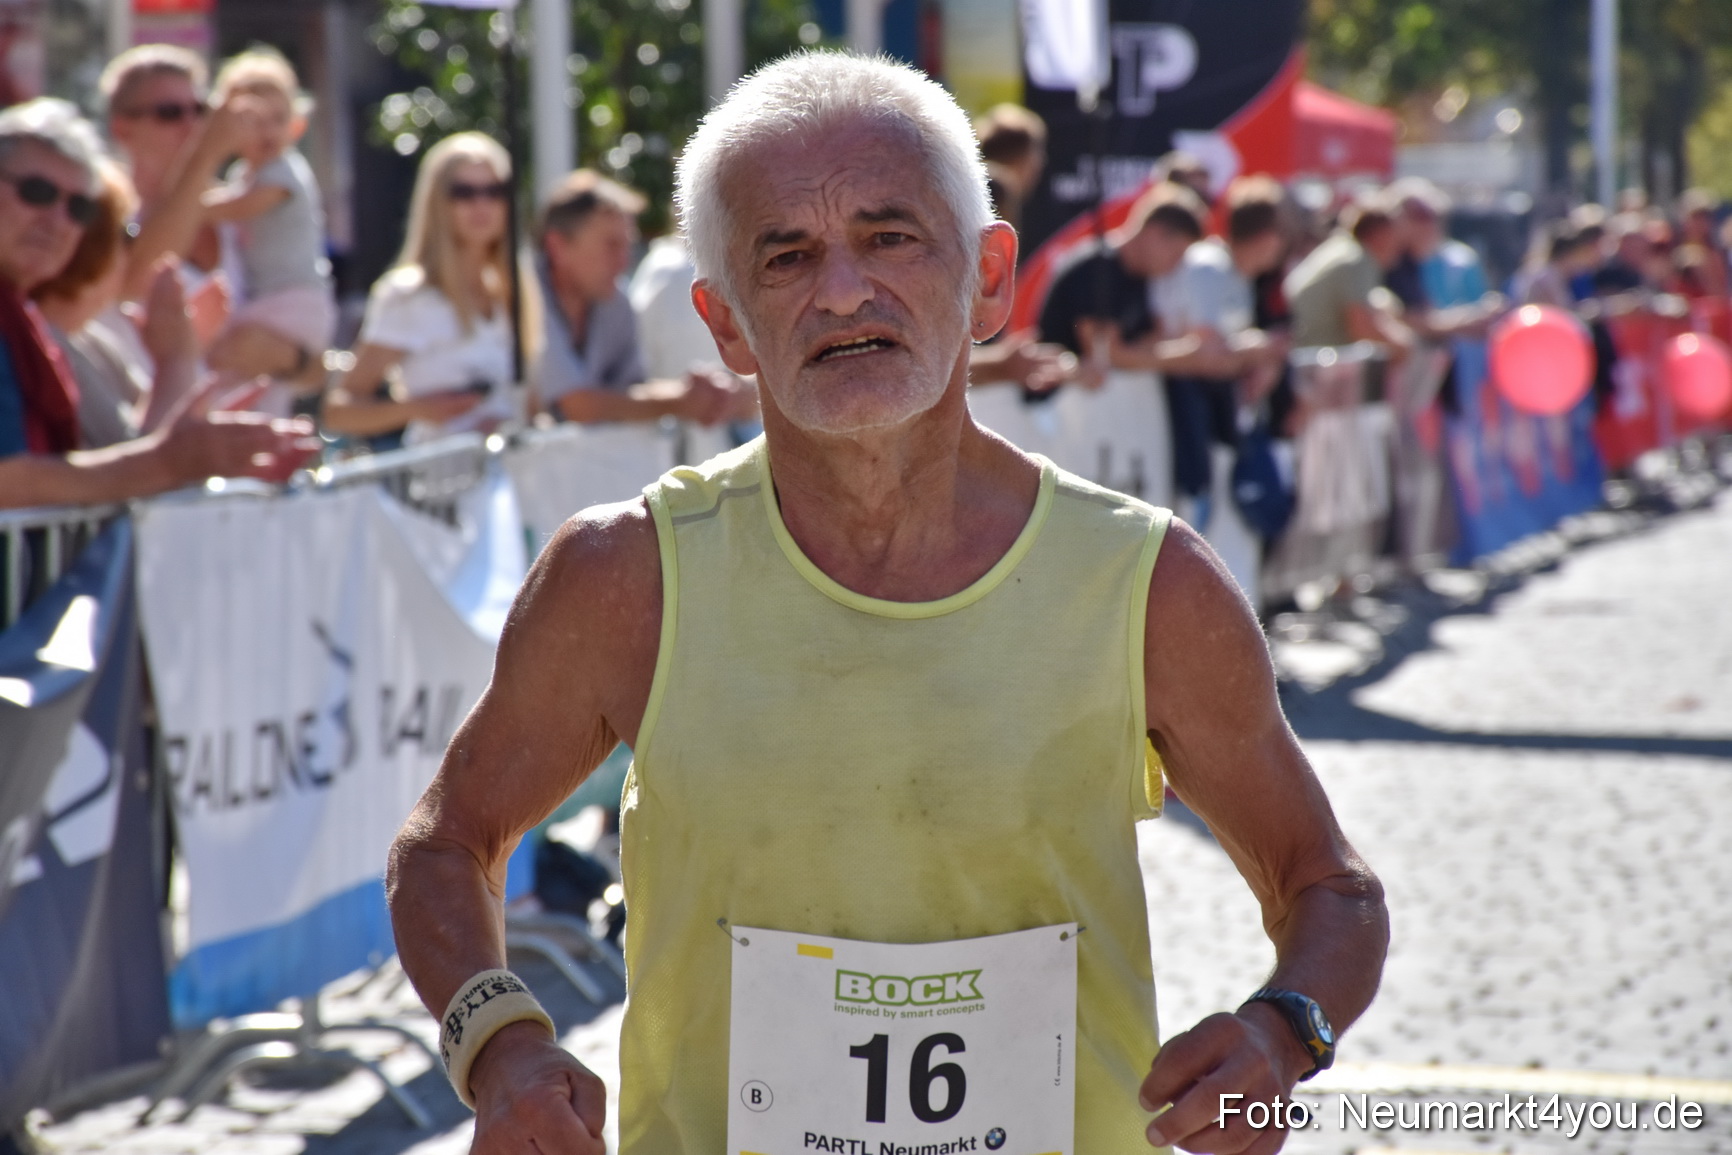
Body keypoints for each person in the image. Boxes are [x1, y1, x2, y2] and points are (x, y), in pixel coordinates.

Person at [387, 52, 1387, 1155]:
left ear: (990, 278)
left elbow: (1326, 887)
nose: (843, 290)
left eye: (890, 237)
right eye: (787, 255)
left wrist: (1282, 1033)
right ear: (724, 325)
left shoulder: (1145, 582)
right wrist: (500, 1044)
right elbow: (447, 845)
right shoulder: (628, 578)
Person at [0, 99, 318, 509]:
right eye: (37, 192)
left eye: (80, 208)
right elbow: (9, 480)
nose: (58, 220)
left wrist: (198, 453)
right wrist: (169, 463)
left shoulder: (27, 326)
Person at [322, 132, 530, 447]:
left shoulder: (511, 290)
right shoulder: (410, 295)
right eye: (463, 192)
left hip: (512, 479)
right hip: (441, 483)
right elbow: (340, 411)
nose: (481, 204)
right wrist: (421, 409)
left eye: (494, 191)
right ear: (437, 201)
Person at [536, 168, 748, 427]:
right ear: (557, 246)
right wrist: (681, 400)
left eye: (627, 246)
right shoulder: (526, 300)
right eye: (610, 245)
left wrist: (699, 396)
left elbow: (632, 392)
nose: (623, 262)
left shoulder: (616, 300)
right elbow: (577, 406)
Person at [29, 155, 198, 446]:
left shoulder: (93, 341)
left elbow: (158, 421)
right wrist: (176, 359)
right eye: (128, 233)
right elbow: (139, 461)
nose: (133, 251)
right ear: (94, 247)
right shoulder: (49, 344)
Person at [197, 48, 335, 397]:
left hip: (294, 300)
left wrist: (185, 205)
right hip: (272, 302)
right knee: (254, 390)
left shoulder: (283, 172)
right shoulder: (244, 173)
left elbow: (238, 208)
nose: (268, 131)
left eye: (278, 118)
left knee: (227, 360)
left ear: (297, 123)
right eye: (253, 121)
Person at [1283, 194, 1413, 359]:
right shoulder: (1356, 258)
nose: (1400, 245)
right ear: (1381, 234)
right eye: (1396, 234)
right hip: (1315, 359)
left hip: (1310, 354)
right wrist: (1405, 345)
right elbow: (1361, 326)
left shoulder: (1344, 248)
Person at [975, 103, 1045, 236]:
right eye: (1035, 154)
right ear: (1020, 158)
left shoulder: (970, 193)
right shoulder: (998, 200)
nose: (1040, 166)